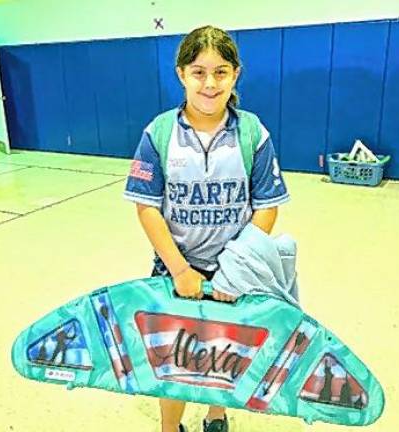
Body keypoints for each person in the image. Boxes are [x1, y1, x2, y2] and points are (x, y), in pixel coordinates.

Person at [124, 25, 290, 432]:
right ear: (181, 74)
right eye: (198, 72)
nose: (210, 83)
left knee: (223, 352)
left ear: (235, 74)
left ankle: (217, 416)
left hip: (234, 275)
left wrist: (235, 270)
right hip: (174, 272)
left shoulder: (253, 131)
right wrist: (180, 270)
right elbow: (147, 208)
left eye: (221, 72)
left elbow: (266, 209)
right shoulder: (159, 132)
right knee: (173, 361)